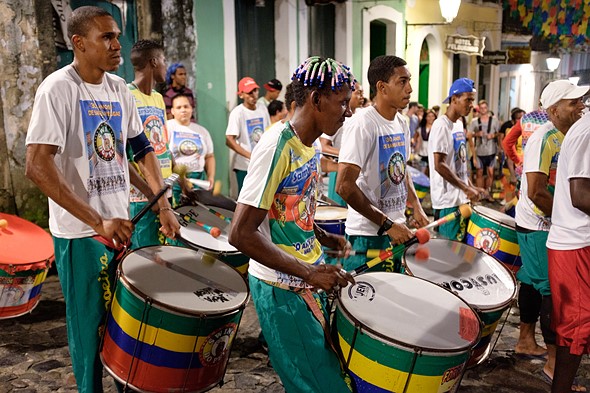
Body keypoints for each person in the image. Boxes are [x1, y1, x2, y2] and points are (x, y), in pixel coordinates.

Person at [24, 6, 180, 392]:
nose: (117, 45)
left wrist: (161, 204)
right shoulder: (57, 89)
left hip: (119, 225)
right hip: (82, 234)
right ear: (78, 43)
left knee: (123, 323)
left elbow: (137, 152)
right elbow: (36, 166)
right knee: (88, 326)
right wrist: (96, 221)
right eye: (106, 37)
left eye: (117, 36)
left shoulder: (117, 89)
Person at [229, 56, 356, 393]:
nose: (349, 111)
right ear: (316, 99)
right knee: (317, 385)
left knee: (319, 375)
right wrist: (309, 273)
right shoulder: (277, 146)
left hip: (304, 277)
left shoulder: (308, 144)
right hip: (283, 288)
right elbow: (241, 233)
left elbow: (287, 209)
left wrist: (321, 236)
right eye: (342, 102)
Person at [514, 80, 588, 391]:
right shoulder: (545, 138)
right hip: (538, 225)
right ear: (554, 110)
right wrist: (561, 218)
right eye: (573, 102)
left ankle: (526, 340)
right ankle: (552, 362)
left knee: (534, 284)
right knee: (549, 294)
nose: (580, 106)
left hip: (551, 225)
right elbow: (535, 191)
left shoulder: (567, 133)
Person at [336, 55, 429, 273]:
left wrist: (415, 205)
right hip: (367, 234)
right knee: (362, 304)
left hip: (397, 230)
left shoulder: (401, 122)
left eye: (409, 81)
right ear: (382, 87)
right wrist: (387, 224)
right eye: (402, 82)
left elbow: (402, 170)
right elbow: (344, 186)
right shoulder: (362, 124)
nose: (410, 89)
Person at [547, 111, 590, 393]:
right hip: (574, 243)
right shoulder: (587, 131)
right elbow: (580, 195)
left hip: (579, 240)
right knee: (575, 329)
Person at [127, 39, 175, 248]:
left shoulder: (158, 98)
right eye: (164, 60)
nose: (166, 66)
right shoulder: (127, 96)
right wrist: (150, 194)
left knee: (163, 255)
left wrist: (178, 177)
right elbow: (124, 156)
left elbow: (161, 144)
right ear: (154, 62)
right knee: (143, 257)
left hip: (163, 191)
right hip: (141, 197)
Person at [428, 78, 485, 241]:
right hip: (447, 202)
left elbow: (459, 163)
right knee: (447, 255)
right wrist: (465, 189)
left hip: (461, 199)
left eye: (472, 100)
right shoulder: (441, 126)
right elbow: (440, 165)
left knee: (460, 253)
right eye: (468, 100)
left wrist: (471, 186)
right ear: (454, 99)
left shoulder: (459, 124)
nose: (471, 105)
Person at [319, 82, 364, 206]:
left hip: (357, 171)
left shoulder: (361, 117)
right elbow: (324, 146)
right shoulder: (338, 117)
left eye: (362, 94)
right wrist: (348, 155)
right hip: (340, 169)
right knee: (340, 211)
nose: (362, 97)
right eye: (358, 93)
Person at [225, 76, 270, 194]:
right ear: (241, 95)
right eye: (249, 93)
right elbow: (229, 140)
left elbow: (267, 131)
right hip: (244, 166)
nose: (254, 95)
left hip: (262, 163)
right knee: (246, 198)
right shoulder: (237, 113)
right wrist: (249, 155)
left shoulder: (262, 108)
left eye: (255, 91)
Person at [468, 100, 500, 199]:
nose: (483, 110)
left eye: (485, 108)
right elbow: (468, 135)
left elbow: (499, 134)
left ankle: (487, 193)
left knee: (490, 172)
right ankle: (480, 194)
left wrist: (493, 135)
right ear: (479, 109)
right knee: (479, 172)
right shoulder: (474, 122)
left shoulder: (494, 120)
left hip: (491, 150)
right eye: (481, 108)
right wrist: (476, 134)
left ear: (488, 108)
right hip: (479, 151)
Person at [413, 108, 437, 176]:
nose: (431, 118)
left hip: (432, 155)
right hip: (421, 154)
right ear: (425, 117)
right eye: (429, 116)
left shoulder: (436, 129)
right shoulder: (420, 128)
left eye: (432, 116)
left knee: (431, 174)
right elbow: (415, 138)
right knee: (421, 173)